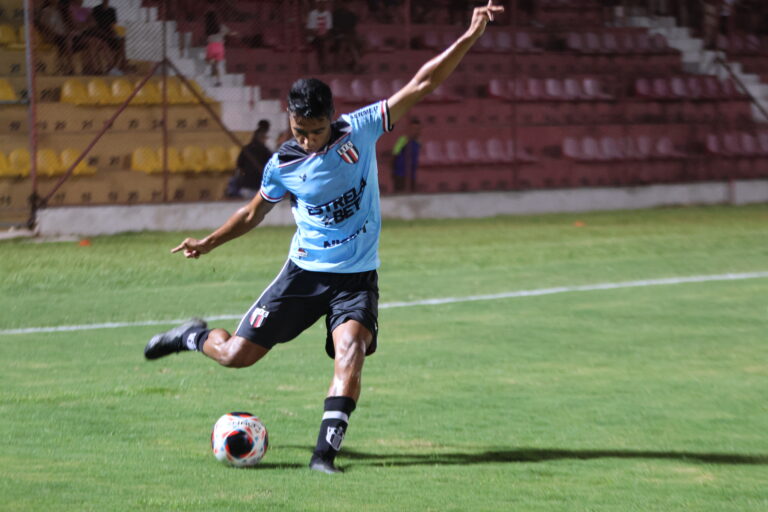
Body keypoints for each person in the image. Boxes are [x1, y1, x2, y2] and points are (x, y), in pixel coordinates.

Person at [144, 0, 505, 474]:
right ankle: (193, 335)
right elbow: (253, 212)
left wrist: (471, 35)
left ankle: (324, 455)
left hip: (356, 279)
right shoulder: (283, 164)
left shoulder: (362, 128)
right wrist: (209, 242)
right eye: (300, 131)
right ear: (289, 119)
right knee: (235, 356)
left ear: (332, 117)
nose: (308, 140)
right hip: (303, 275)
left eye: (315, 131)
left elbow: (423, 83)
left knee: (351, 350)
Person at [226, 120, 272, 199]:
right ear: (262, 138)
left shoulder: (246, 149)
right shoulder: (265, 151)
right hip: (260, 186)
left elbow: (239, 165)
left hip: (247, 185)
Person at [391, 117, 421, 193]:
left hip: (411, 176)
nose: (415, 131)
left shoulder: (418, 143)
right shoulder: (403, 140)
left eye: (417, 129)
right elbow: (394, 155)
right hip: (400, 175)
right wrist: (393, 172)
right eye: (414, 128)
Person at [204, 7, 233, 86]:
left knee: (208, 60)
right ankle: (218, 81)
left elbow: (208, 39)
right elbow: (229, 32)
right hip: (220, 47)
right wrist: (233, 33)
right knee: (218, 65)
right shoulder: (221, 26)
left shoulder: (208, 28)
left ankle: (211, 62)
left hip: (211, 46)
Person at [306, 0, 333, 73]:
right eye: (320, 3)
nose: (321, 4)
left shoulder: (328, 14)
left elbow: (329, 29)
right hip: (313, 37)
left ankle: (323, 65)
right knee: (320, 43)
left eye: (323, 3)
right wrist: (318, 35)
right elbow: (311, 29)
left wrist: (324, 35)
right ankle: (322, 66)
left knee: (322, 43)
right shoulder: (312, 14)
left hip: (324, 36)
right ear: (317, 4)